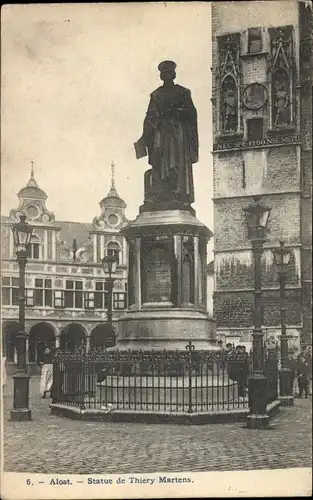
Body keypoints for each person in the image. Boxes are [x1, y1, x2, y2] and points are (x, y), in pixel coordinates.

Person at [135, 60, 198, 206]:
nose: (168, 75)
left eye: (170, 72)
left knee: (176, 162)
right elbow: (149, 117)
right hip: (161, 133)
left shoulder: (183, 92)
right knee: (160, 160)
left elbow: (191, 113)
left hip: (177, 134)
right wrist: (144, 137)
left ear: (174, 74)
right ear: (161, 76)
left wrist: (177, 112)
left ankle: (178, 192)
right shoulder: (156, 95)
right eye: (165, 73)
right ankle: (161, 192)